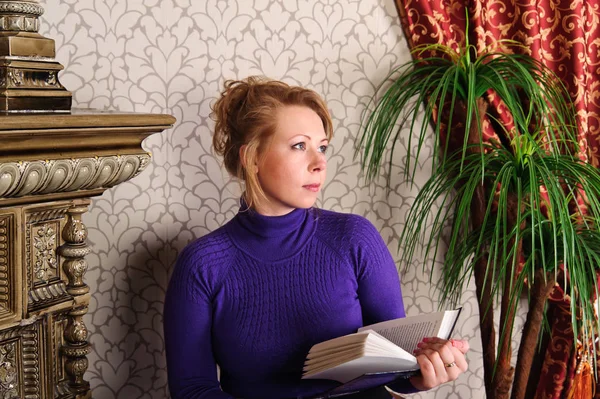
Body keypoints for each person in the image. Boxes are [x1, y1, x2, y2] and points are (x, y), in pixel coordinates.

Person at [163, 77, 469, 399]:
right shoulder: (203, 264)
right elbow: (193, 389)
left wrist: (425, 371)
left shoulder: (354, 238)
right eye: (299, 146)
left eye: (322, 147)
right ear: (252, 158)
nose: (319, 163)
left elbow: (394, 364)